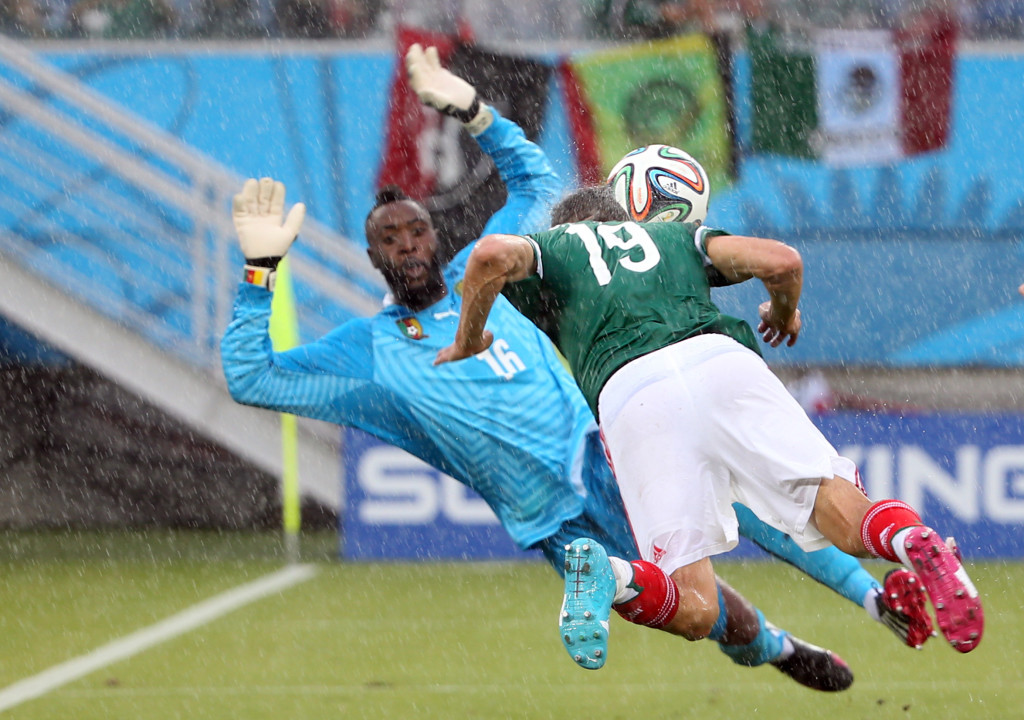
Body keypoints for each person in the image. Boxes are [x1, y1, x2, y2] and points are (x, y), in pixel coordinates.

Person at [222, 44, 858, 690]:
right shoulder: (369, 352)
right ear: (372, 256)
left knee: (751, 514)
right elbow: (252, 377)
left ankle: (864, 602)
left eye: (416, 230)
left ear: (436, 236)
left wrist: (474, 112)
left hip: (603, 451)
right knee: (702, 612)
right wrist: (259, 272)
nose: (408, 245)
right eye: (390, 239)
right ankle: (778, 645)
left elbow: (537, 184)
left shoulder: (488, 272)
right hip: (548, 517)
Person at [435, 184, 985, 669]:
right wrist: (783, 312)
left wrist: (468, 339)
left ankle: (611, 575)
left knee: (695, 608)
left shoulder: (552, 251)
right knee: (845, 519)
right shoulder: (673, 237)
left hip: (633, 395)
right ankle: (913, 541)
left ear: (563, 228)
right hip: (722, 363)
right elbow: (783, 261)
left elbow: (488, 256)